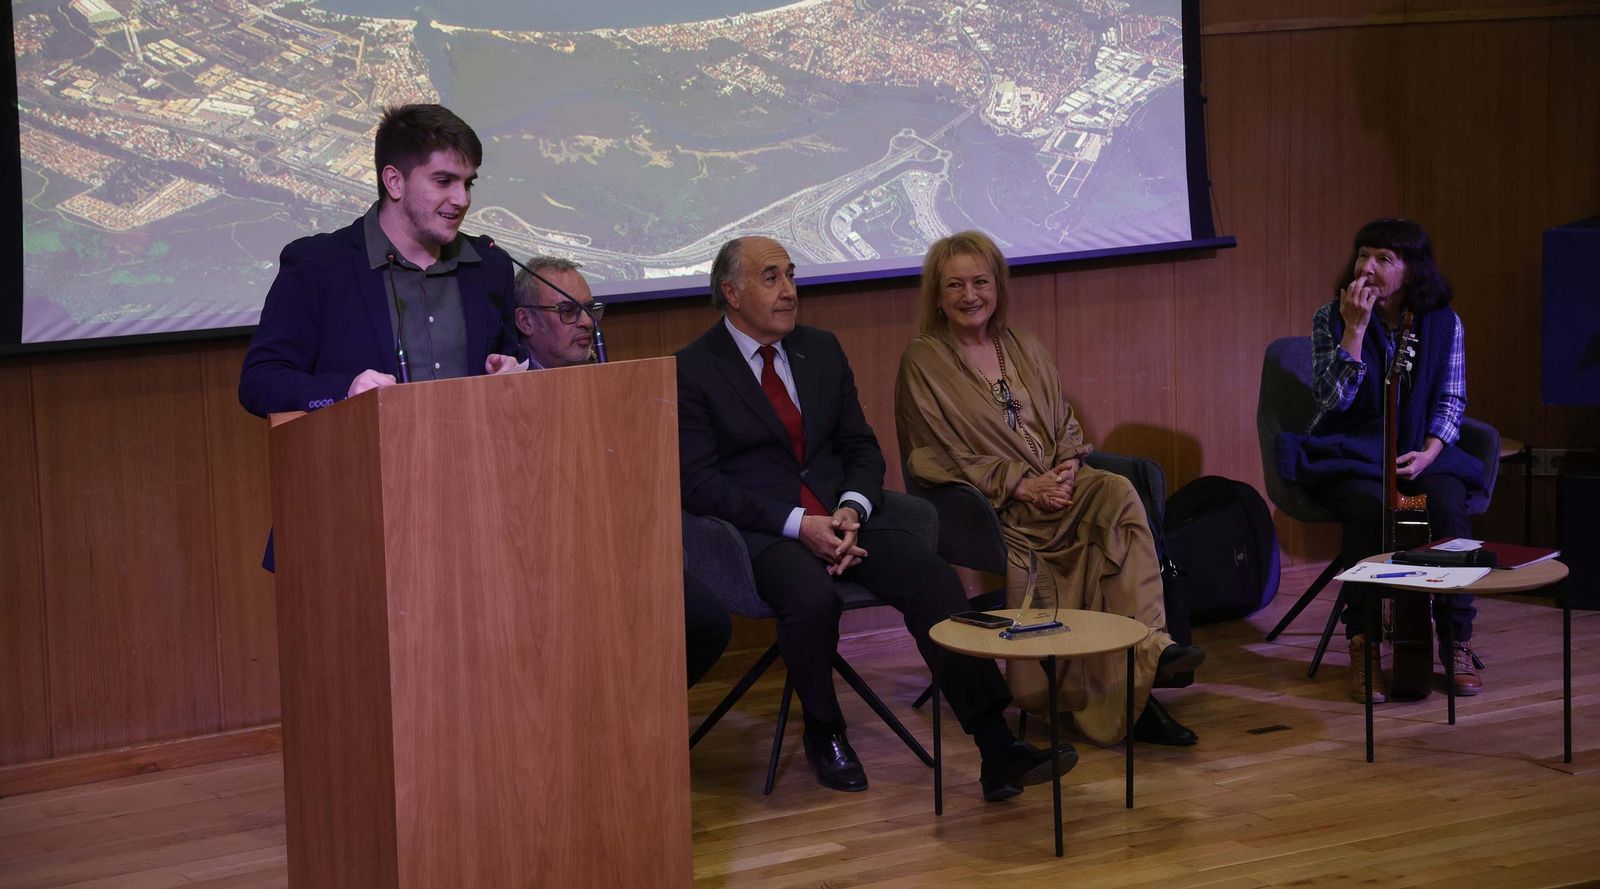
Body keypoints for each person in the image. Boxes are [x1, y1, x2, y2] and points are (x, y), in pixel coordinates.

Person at [677, 235, 1072, 798]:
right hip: (765, 534)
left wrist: (850, 508)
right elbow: (699, 482)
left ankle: (995, 744)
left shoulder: (822, 349)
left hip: (846, 519)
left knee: (932, 577)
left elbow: (861, 447)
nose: (789, 291)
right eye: (772, 278)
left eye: (790, 275)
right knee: (809, 599)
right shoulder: (693, 369)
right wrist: (799, 524)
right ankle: (825, 730)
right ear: (731, 292)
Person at [894, 230, 1203, 748]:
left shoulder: (1024, 346)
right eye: (955, 286)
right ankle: (1136, 684)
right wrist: (1021, 485)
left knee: (1118, 494)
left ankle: (1147, 655)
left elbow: (1065, 424)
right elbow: (935, 456)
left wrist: (1062, 470)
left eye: (980, 282)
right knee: (1104, 525)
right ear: (937, 296)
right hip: (998, 509)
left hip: (1061, 491)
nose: (970, 296)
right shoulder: (922, 362)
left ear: (998, 287)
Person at [1278, 218, 1484, 702]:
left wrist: (1431, 451)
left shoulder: (1444, 322)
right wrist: (1355, 330)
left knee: (1448, 511)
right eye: (1362, 255)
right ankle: (1364, 642)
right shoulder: (1330, 317)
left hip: (1420, 452)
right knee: (1371, 513)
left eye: (1384, 259)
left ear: (1411, 271)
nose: (1366, 268)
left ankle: (1455, 639)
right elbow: (1333, 401)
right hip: (1353, 451)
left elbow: (1451, 402)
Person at [513, 256, 732, 687]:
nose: (586, 324)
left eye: (591, 310)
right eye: (567, 311)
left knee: (705, 622)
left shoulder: (624, 388)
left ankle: (642, 719)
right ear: (525, 322)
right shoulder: (502, 393)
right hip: (543, 569)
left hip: (624, 555)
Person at [239, 103, 518, 418]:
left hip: (480, 459)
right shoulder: (317, 266)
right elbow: (260, 383)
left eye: (468, 183)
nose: (462, 199)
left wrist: (515, 371)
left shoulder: (490, 266)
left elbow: (514, 360)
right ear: (395, 182)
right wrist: (346, 391)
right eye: (444, 181)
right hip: (365, 462)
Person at [513, 256, 601, 369]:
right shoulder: (507, 383)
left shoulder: (604, 375)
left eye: (589, 308)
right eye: (568, 310)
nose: (588, 322)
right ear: (525, 322)